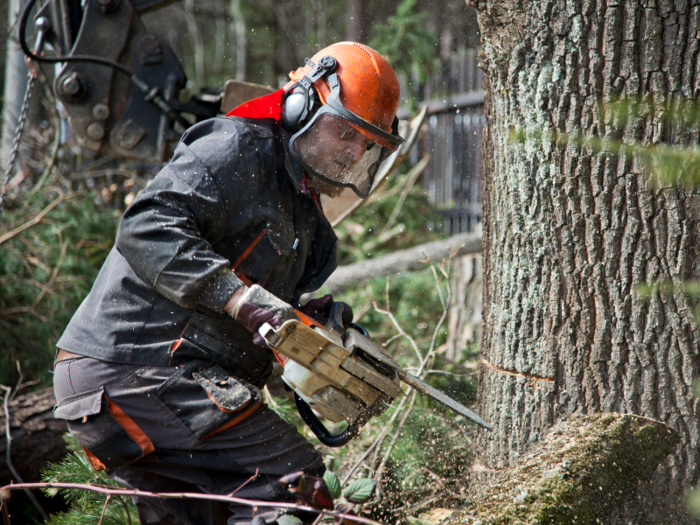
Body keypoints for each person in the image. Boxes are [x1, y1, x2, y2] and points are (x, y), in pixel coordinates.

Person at [52, 41, 403, 525]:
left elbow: (266, 316)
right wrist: (236, 297)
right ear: (303, 105)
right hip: (136, 369)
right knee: (293, 483)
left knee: (208, 516)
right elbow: (147, 225)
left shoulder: (306, 215)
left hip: (144, 384)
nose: (353, 151)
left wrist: (312, 331)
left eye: (366, 143)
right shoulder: (237, 147)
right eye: (345, 132)